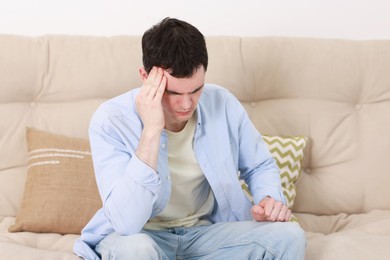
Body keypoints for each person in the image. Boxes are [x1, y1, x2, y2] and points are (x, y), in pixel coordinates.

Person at [74, 17, 306, 260]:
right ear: (145, 76)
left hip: (205, 236)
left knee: (290, 236)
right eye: (173, 92)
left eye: (196, 90)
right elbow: (126, 224)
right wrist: (152, 130)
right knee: (137, 250)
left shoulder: (222, 103)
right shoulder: (111, 120)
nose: (186, 104)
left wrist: (267, 199)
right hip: (139, 238)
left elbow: (259, 165)